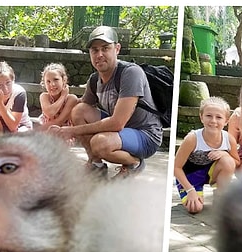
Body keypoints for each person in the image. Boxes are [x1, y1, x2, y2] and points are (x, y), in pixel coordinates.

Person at [51, 26, 163, 179]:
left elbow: (117, 123)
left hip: (145, 135)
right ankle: (96, 164)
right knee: (79, 110)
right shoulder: (94, 79)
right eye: (94, 50)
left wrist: (71, 131)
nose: (99, 55)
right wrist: (59, 125)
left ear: (117, 49)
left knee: (99, 143)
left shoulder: (131, 73)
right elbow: (80, 110)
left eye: (105, 48)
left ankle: (134, 163)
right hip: (120, 132)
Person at [174, 96, 239, 214]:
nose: (213, 121)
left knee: (228, 161)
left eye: (219, 117)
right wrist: (190, 190)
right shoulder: (192, 139)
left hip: (210, 174)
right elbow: (176, 167)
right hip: (190, 177)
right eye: (209, 116)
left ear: (226, 121)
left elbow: (236, 162)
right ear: (201, 117)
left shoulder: (228, 139)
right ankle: (193, 192)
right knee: (195, 208)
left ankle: (220, 196)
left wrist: (224, 154)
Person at [0, 61, 32, 133]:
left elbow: (13, 127)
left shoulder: (19, 93)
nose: (5, 89)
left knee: (19, 133)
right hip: (0, 127)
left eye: (8, 83)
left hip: (20, 127)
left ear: (13, 80)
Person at [38, 63, 79, 131]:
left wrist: (63, 96)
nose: (52, 84)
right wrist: (62, 96)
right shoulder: (44, 96)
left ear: (64, 80)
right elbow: (50, 113)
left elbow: (59, 122)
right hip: (46, 132)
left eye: (56, 80)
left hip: (63, 134)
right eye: (48, 81)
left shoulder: (71, 99)